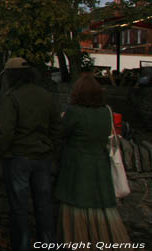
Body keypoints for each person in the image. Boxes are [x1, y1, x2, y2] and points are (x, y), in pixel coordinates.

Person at [0, 57, 61, 250]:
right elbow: (57, 128)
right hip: (43, 158)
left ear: (10, 76)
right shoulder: (48, 96)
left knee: (19, 208)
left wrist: (1, 152)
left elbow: (6, 132)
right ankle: (47, 244)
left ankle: (21, 246)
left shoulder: (11, 97)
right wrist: (50, 149)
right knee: (44, 206)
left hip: (18, 158)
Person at [54, 74, 130, 243]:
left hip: (77, 166)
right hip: (100, 165)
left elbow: (60, 133)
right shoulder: (106, 112)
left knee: (77, 204)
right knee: (101, 205)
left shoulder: (74, 112)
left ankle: (79, 241)